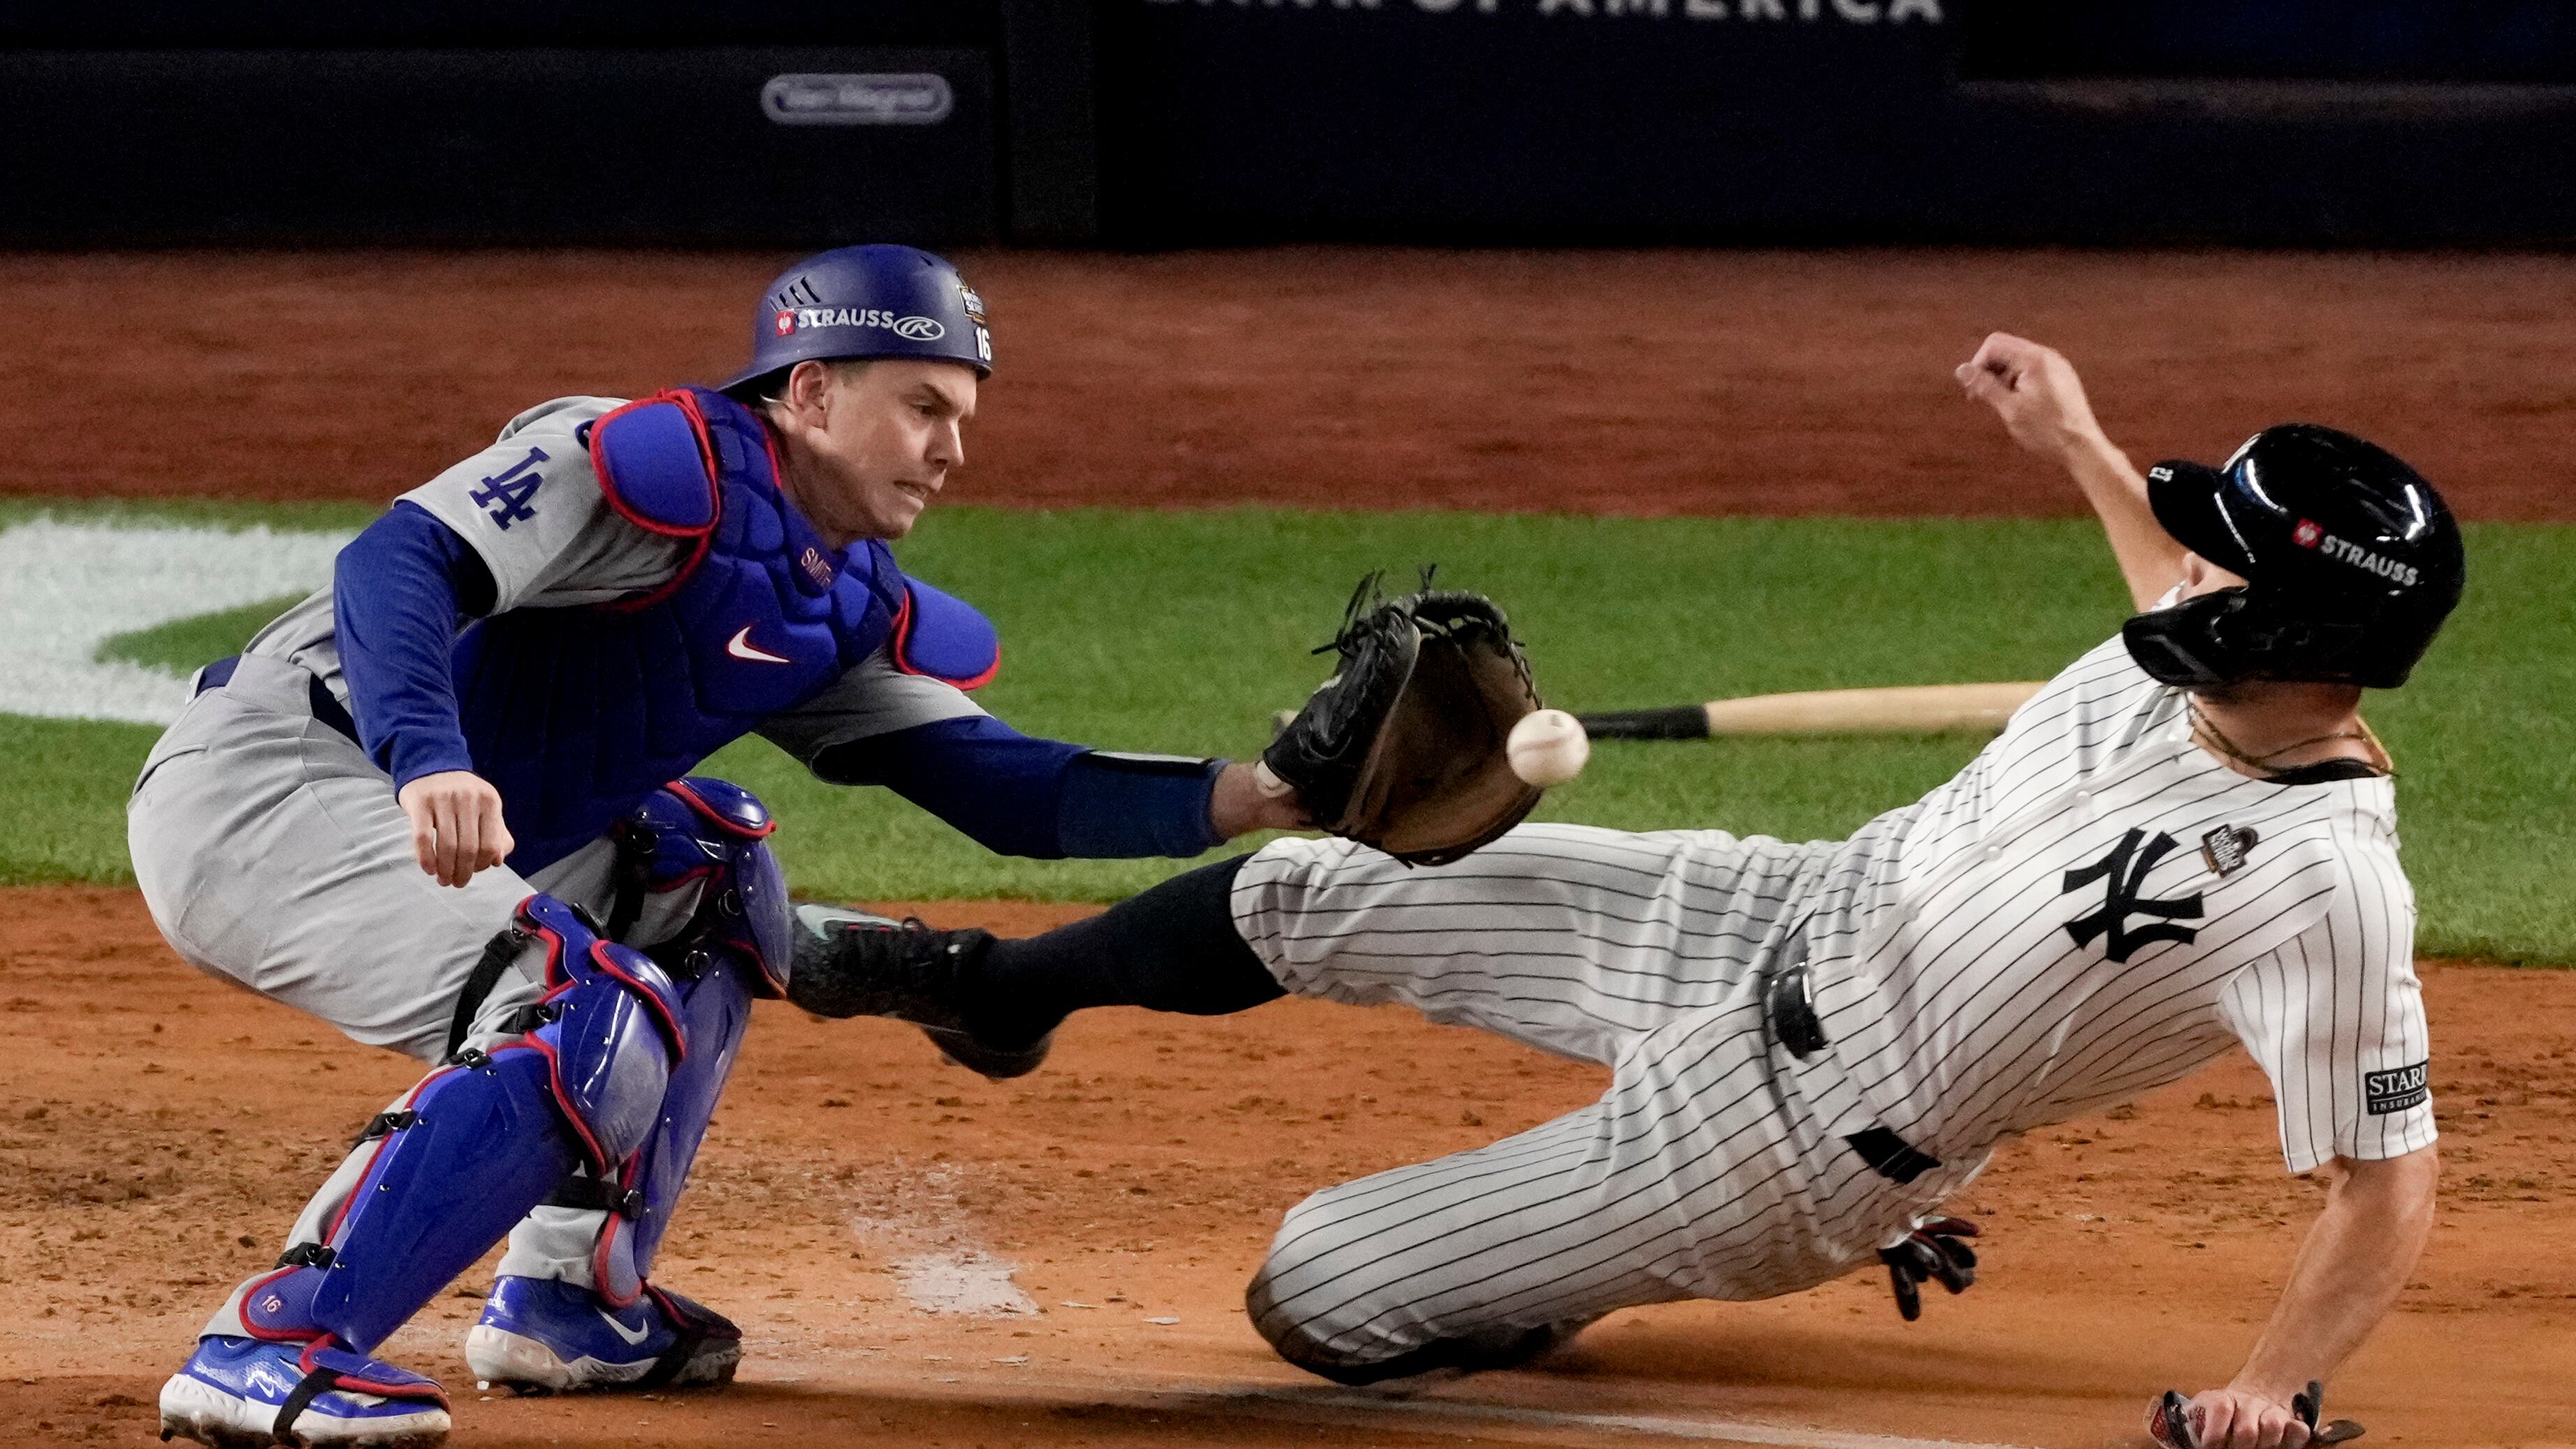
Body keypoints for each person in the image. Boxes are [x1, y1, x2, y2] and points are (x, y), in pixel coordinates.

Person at [797, 332, 2459, 1449]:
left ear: (2287, 637)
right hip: (1773, 908)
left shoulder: (2323, 893)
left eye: (2225, 563)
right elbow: (2164, 567)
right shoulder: (2206, 647)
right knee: (1316, 883)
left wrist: (2271, 1392)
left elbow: (2382, 1188)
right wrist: (2077, 437)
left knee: (1315, 1291)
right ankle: (1004, 996)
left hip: (1796, 1147)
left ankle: (1549, 1273)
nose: (2187, 567)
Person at [133, 244, 1303, 1449]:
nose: (953, 451)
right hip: (275, 784)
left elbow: (1006, 788)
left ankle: (572, 1298)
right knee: (579, 1005)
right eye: (923, 408)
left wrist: (1261, 795)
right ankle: (274, 1343)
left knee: (707, 877)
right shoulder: (633, 460)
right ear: (808, 391)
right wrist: (430, 755)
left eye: (960, 415)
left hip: (426, 812)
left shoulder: (832, 598)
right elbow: (400, 562)